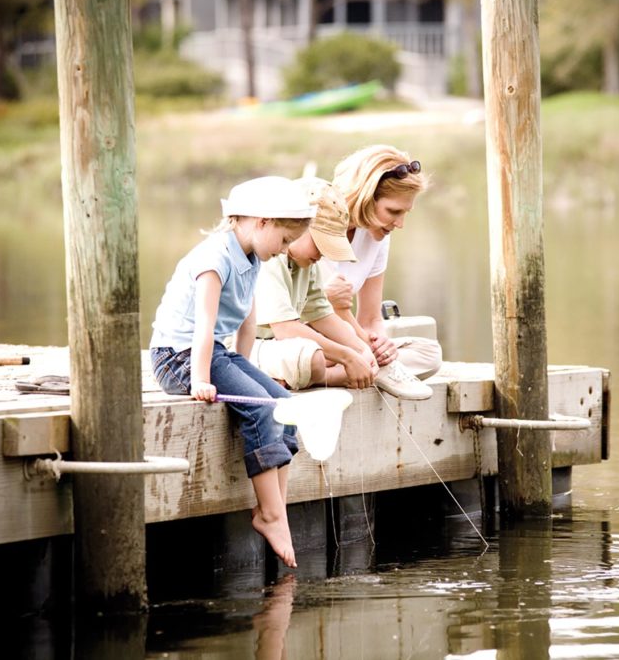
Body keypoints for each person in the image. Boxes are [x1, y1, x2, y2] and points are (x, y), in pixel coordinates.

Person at [148, 176, 317, 569]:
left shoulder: (254, 257)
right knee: (261, 408)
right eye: (286, 240)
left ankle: (277, 510)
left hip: (214, 354)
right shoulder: (214, 259)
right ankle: (270, 515)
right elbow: (203, 327)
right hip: (179, 357)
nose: (286, 250)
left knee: (285, 404)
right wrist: (200, 380)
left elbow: (246, 320)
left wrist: (247, 370)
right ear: (261, 222)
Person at [323, 145, 442, 400]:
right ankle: (335, 372)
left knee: (429, 354)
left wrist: (381, 345)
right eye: (393, 212)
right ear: (365, 197)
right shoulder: (318, 228)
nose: (400, 224)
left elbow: (370, 318)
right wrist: (360, 345)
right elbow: (321, 314)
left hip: (349, 342)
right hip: (314, 339)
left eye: (404, 213)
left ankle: (358, 368)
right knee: (315, 356)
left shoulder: (378, 236)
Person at [249, 176, 379, 391]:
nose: (322, 255)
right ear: (298, 228)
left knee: (340, 335)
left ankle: (291, 376)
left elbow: (322, 315)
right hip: (244, 347)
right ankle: (330, 377)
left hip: (274, 346)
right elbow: (285, 329)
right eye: (319, 245)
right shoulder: (271, 258)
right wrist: (347, 357)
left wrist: (362, 350)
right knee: (310, 357)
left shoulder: (307, 263)